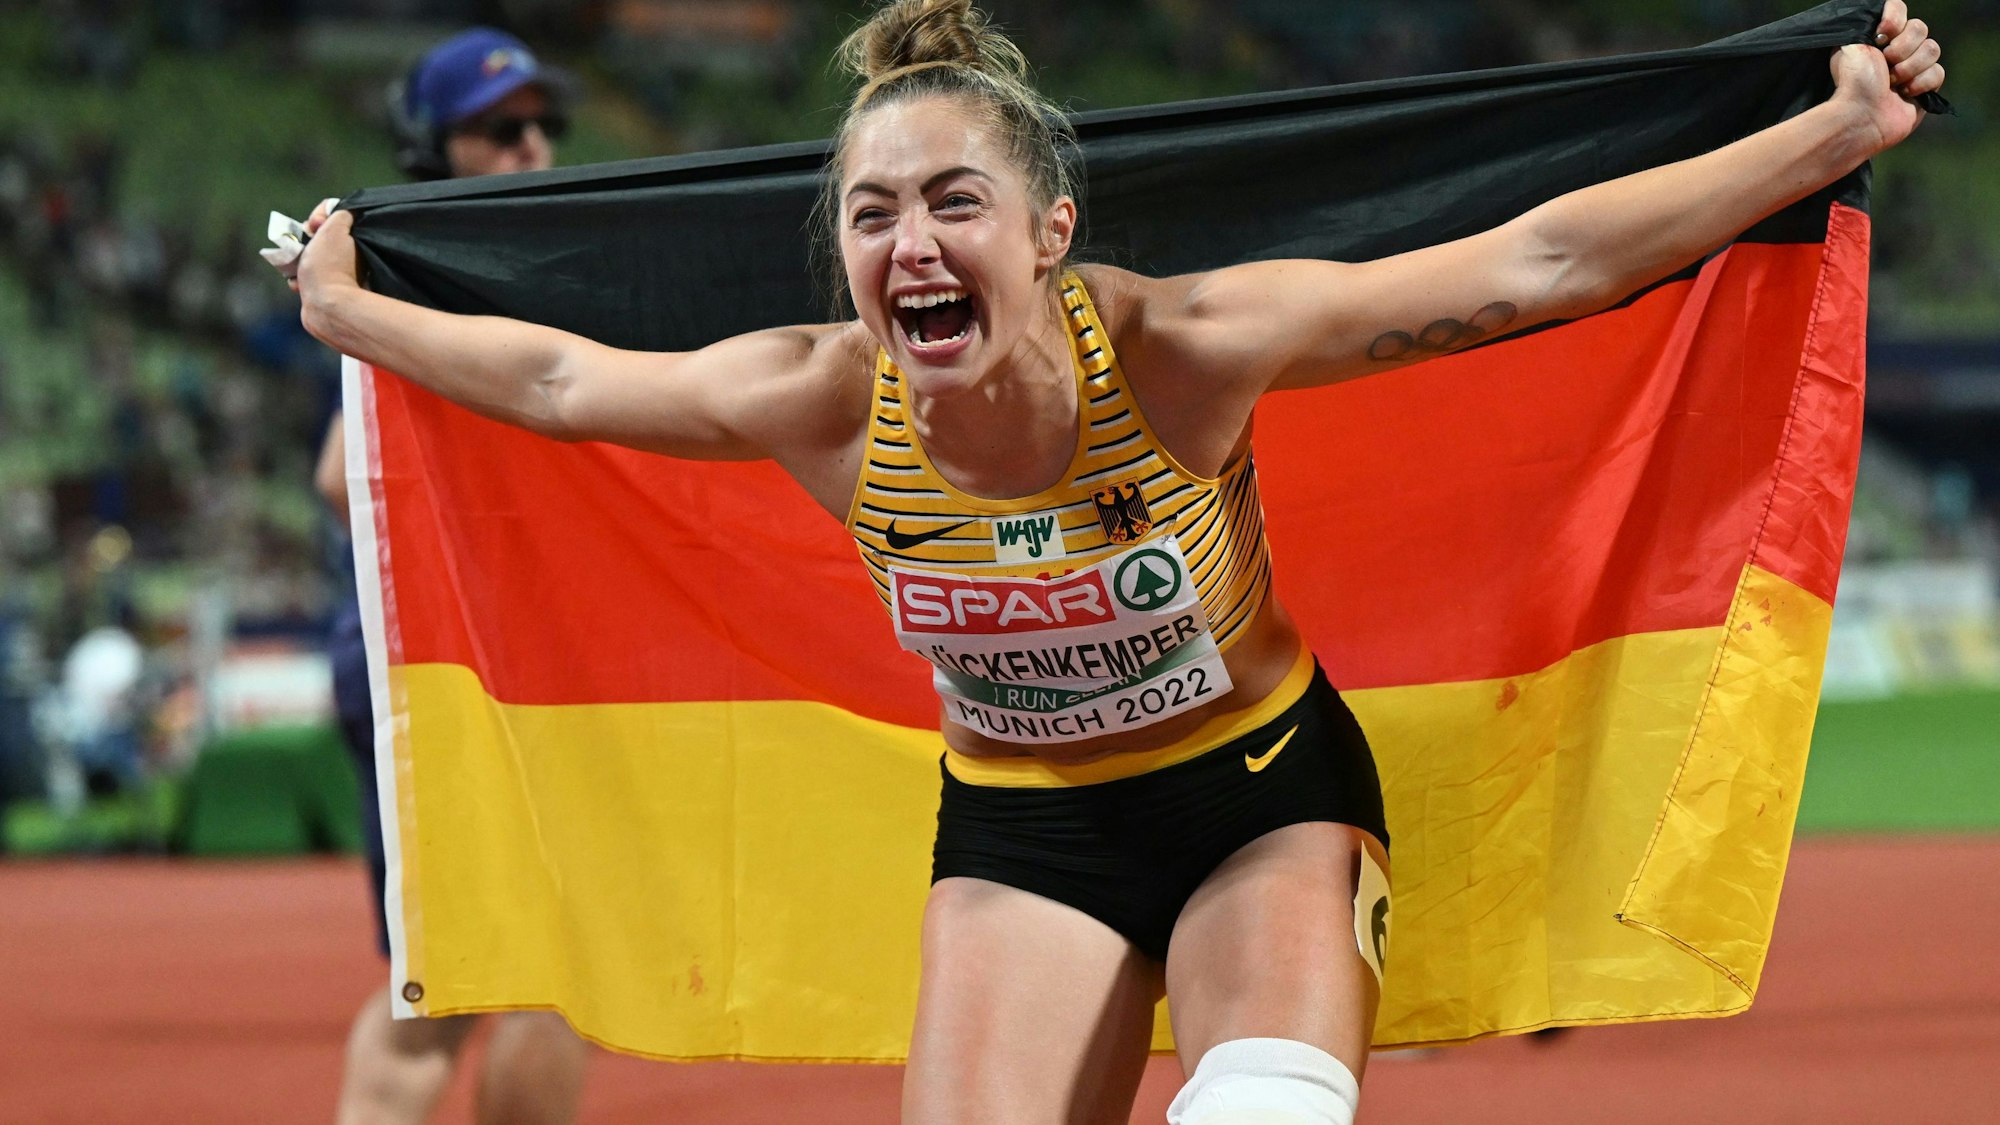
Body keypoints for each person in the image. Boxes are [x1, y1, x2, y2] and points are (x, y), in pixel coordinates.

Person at [292, 2, 1945, 1122]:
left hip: (1260, 804)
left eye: (954, 202)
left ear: (1048, 233)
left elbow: (1540, 262)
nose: (911, 244)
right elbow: (568, 383)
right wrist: (356, 312)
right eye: (871, 214)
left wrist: (1832, 134)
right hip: (1023, 836)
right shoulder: (817, 397)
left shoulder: (1181, 353)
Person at [309, 27, 590, 1125]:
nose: (528, 148)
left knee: (482, 980)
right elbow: (344, 477)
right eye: (496, 129)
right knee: (518, 977)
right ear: (432, 146)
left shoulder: (426, 255)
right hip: (450, 652)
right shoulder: (426, 258)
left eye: (539, 126)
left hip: (425, 653)